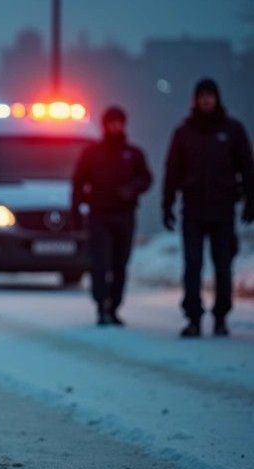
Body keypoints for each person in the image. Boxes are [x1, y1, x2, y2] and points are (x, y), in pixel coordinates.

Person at [162, 78, 254, 338]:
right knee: (192, 266)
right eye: (202, 96)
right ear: (195, 99)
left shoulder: (232, 131)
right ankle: (193, 317)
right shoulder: (184, 132)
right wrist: (167, 204)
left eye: (210, 96)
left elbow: (247, 167)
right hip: (192, 209)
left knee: (223, 266)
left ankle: (221, 316)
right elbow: (172, 171)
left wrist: (250, 200)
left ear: (217, 98)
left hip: (223, 209)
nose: (206, 101)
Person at [72, 106, 152, 326]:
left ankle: (114, 305)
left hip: (124, 215)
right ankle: (101, 305)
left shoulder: (133, 154)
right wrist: (76, 210)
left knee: (119, 263)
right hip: (99, 215)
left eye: (118, 122)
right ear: (104, 125)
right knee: (100, 263)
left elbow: (146, 178)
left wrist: (132, 188)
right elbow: (78, 182)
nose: (115, 126)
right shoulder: (92, 153)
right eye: (111, 122)